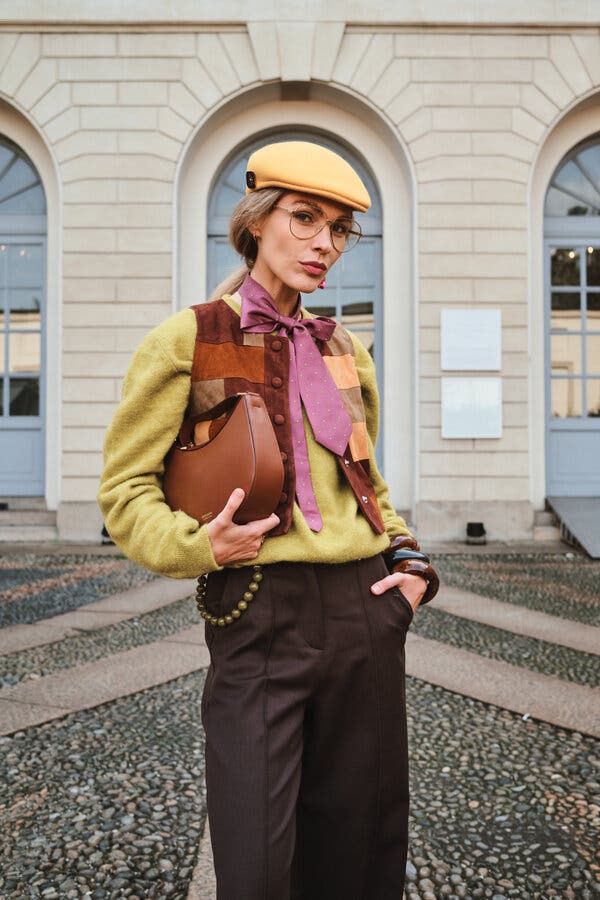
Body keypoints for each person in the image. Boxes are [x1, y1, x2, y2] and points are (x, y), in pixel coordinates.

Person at [98, 140, 439, 900]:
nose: (325, 244)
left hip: (364, 610)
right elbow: (125, 492)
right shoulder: (190, 339)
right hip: (255, 611)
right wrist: (199, 546)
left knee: (359, 857)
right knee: (253, 868)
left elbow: (368, 482)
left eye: (341, 229)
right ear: (257, 222)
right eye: (305, 218)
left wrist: (411, 566)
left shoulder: (344, 348)